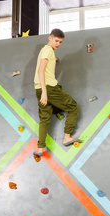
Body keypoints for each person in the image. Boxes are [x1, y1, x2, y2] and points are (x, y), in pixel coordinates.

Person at [33, 28, 81, 156]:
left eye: (60, 42)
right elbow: (40, 71)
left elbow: (44, 69)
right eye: (56, 40)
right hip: (48, 89)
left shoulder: (47, 51)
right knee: (73, 107)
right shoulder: (48, 50)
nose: (58, 44)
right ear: (50, 37)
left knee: (44, 119)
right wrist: (45, 92)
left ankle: (40, 149)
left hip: (39, 88)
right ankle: (67, 137)